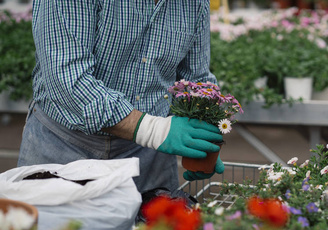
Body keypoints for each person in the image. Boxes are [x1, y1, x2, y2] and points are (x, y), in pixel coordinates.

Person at [18, 0, 225, 194]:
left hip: (149, 158)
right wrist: (154, 131)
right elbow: (67, 78)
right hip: (65, 148)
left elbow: (196, 78)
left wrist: (203, 137)